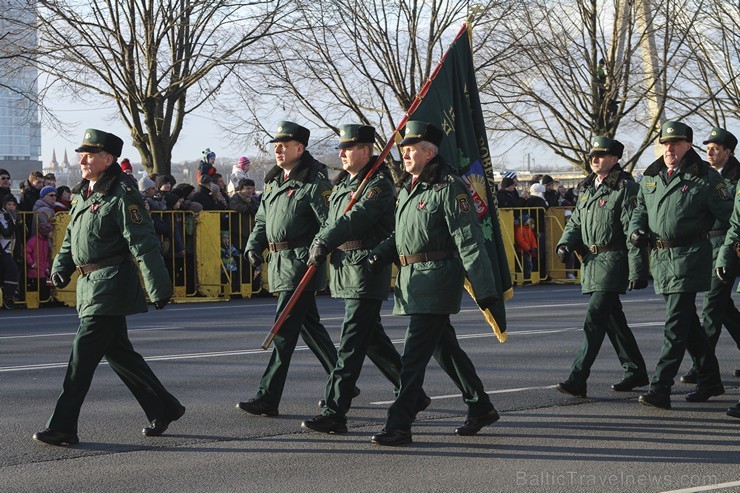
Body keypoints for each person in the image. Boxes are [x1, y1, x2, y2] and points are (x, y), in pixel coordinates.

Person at [33, 128, 183, 446]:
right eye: (81, 154)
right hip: (90, 285)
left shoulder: (122, 195)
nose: (82, 159)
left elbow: (143, 242)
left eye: (89, 154)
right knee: (120, 354)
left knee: (81, 358)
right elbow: (72, 237)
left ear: (108, 159)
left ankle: (62, 425)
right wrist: (61, 269)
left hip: (111, 284)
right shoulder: (83, 194)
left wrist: (159, 286)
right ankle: (164, 406)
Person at [369, 121, 500, 446]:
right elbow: (403, 234)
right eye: (403, 149)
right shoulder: (412, 187)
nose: (405, 154)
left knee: (413, 356)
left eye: (411, 148)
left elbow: (469, 239)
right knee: (445, 349)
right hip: (414, 280)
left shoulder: (449, 187)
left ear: (430, 151)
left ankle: (399, 423)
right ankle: (480, 405)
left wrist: (484, 288)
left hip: (438, 279)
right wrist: (380, 253)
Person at [300, 124, 430, 435]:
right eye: (340, 148)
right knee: (372, 340)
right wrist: (319, 241)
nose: (341, 153)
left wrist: (325, 240)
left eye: (348, 148)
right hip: (346, 270)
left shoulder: (378, 185)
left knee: (350, 345)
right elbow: (331, 220)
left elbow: (355, 219)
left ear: (365, 151)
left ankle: (335, 412)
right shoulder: (346, 184)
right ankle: (413, 394)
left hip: (365, 271)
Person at [238, 120, 342, 417]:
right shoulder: (274, 181)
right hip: (279, 265)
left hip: (301, 265)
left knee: (283, 332)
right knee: (310, 328)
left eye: (284, 145)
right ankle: (342, 380)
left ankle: (267, 397)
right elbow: (262, 220)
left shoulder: (314, 182)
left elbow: (329, 223)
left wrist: (319, 250)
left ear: (300, 148)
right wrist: (252, 247)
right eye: (276, 145)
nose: (278, 149)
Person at [629, 120, 727, 410]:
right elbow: (640, 210)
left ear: (688, 145)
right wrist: (636, 230)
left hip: (690, 257)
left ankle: (661, 387)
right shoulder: (651, 177)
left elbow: (730, 217)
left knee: (675, 323)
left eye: (676, 143)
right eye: (665, 143)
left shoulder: (706, 179)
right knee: (688, 323)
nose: (669, 148)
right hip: (661, 259)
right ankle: (709, 378)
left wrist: (723, 250)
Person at [554, 136, 649, 398]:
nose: (594, 159)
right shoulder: (588, 188)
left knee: (594, 319)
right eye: (592, 155)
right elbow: (575, 223)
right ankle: (636, 370)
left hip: (614, 261)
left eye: (602, 155)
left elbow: (633, 229)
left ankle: (578, 378)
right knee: (612, 320)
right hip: (593, 263)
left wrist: (638, 270)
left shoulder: (625, 188)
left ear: (615, 159)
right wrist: (564, 244)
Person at [681, 127, 740, 384]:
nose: (710, 151)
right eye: (707, 147)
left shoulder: (736, 177)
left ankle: (702, 365)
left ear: (729, 151)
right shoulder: (702, 174)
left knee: (712, 307)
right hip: (707, 246)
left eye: (716, 147)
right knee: (724, 308)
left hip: (729, 245)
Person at [0, 194, 19, 310]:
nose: (11, 207)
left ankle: (8, 297)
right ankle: (8, 297)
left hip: (11, 248)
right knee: (12, 271)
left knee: (8, 273)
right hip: (3, 249)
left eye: (13, 205)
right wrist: (13, 221)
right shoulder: (3, 216)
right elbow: (6, 232)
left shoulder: (14, 215)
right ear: (4, 205)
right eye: (9, 204)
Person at [514, 214, 537, 283]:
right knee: (528, 265)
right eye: (527, 219)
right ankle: (525, 279)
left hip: (528, 250)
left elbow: (533, 239)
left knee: (528, 265)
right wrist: (529, 248)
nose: (529, 220)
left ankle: (526, 278)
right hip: (522, 251)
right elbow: (520, 241)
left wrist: (534, 247)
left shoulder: (528, 229)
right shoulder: (519, 229)